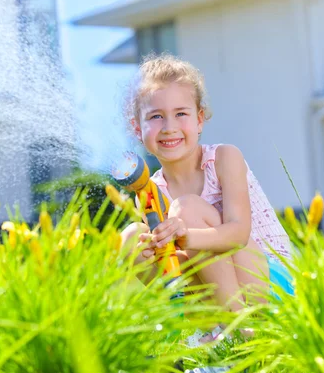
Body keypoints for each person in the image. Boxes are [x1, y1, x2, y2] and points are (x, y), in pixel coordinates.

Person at [121, 54, 293, 346]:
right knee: (131, 238)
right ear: (138, 129)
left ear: (200, 119)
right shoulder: (151, 192)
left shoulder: (224, 158)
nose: (169, 126)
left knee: (186, 209)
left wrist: (185, 235)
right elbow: (180, 265)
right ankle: (210, 330)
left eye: (181, 113)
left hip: (268, 282)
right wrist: (159, 252)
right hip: (217, 292)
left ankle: (245, 336)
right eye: (155, 116)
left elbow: (238, 234)